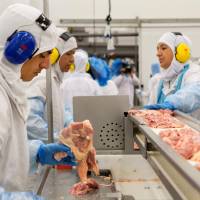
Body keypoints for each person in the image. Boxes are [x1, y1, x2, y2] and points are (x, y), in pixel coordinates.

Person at [0, 4, 76, 199]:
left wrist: (36, 152)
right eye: (42, 55)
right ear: (17, 50)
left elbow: (5, 151)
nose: (45, 65)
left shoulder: (9, 88)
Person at [26, 28, 77, 143]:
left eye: (73, 54)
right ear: (54, 54)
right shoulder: (43, 80)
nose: (72, 60)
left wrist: (72, 125)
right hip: (40, 154)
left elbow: (60, 110)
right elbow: (30, 120)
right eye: (68, 54)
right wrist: (57, 139)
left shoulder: (55, 81)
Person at [144, 32, 200, 115]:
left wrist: (173, 103)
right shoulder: (160, 81)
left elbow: (194, 93)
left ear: (179, 52)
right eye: (157, 49)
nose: (158, 53)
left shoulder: (194, 72)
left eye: (163, 48)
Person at [61, 49, 102, 118]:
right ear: (87, 66)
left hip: (68, 125)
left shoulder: (64, 84)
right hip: (90, 124)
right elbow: (101, 106)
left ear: (72, 65)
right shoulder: (94, 84)